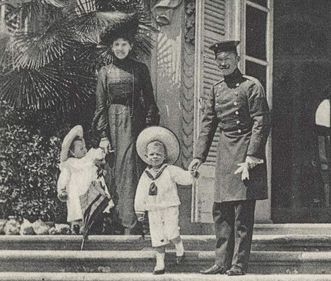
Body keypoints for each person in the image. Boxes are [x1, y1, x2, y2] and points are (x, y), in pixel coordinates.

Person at [188, 40, 271, 276]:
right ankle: (221, 262)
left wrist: (253, 154)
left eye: (227, 59)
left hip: (246, 152)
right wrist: (198, 156)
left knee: (242, 213)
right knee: (221, 210)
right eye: (219, 60)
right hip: (225, 153)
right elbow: (208, 125)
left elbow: (261, 121)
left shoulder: (252, 86)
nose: (222, 63)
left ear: (237, 59)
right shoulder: (216, 89)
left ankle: (238, 264)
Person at [92, 18, 159, 235]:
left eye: (124, 44)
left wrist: (149, 130)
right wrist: (103, 135)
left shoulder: (140, 69)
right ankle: (116, 223)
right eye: (116, 45)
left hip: (135, 125)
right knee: (114, 171)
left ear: (130, 46)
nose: (120, 48)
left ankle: (134, 224)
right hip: (112, 125)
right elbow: (100, 106)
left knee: (133, 171)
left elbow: (149, 101)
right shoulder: (105, 72)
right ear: (112, 48)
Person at [134, 126, 195, 275]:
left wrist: (192, 175)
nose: (155, 157)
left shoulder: (169, 170)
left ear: (165, 156)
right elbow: (140, 193)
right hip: (153, 208)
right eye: (152, 154)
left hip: (169, 206)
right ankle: (160, 263)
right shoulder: (146, 175)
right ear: (147, 156)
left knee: (171, 231)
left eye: (159, 154)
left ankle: (179, 245)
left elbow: (184, 178)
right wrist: (139, 209)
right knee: (157, 236)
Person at [57, 125, 114, 234]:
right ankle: (76, 227)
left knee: (93, 207)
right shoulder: (70, 163)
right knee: (76, 209)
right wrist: (61, 189)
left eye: (85, 147)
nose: (85, 150)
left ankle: (94, 226)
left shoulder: (89, 158)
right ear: (73, 152)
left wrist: (102, 150)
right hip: (76, 191)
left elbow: (98, 154)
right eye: (81, 148)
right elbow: (63, 177)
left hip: (89, 189)